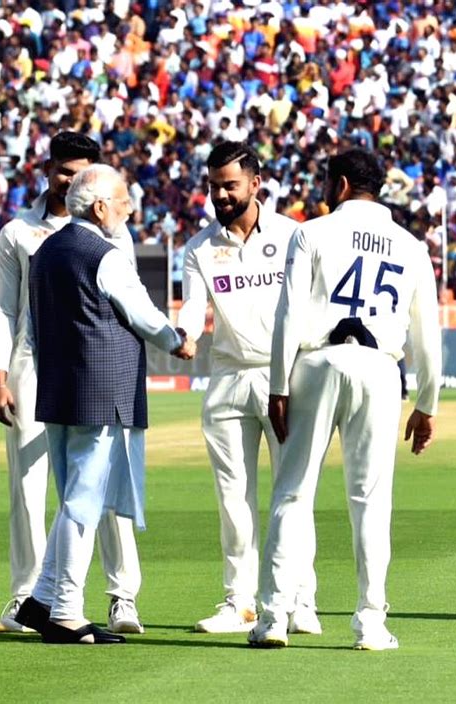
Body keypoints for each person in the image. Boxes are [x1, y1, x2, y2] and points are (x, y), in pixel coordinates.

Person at [249, 148, 442, 650]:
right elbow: (428, 335)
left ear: (338, 185)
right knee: (371, 502)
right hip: (380, 367)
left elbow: (288, 314)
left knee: (292, 492)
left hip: (317, 360)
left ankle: (272, 617)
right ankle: (371, 622)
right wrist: (427, 403)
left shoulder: (310, 231)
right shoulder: (411, 245)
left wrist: (277, 386)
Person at [15, 164, 195, 644]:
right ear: (99, 206)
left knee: (73, 496)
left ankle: (43, 599)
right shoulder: (106, 254)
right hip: (102, 388)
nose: (129, 209)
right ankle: (68, 612)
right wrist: (177, 340)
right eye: (122, 201)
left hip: (57, 386)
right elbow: (142, 312)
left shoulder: (45, 251)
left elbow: (32, 328)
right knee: (84, 500)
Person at [0, 132, 141, 635]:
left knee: (102, 481)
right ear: (47, 170)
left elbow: (128, 302)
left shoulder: (112, 230)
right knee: (29, 486)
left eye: (79, 171)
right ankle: (28, 596)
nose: (69, 179)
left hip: (92, 367)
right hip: (32, 364)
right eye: (62, 170)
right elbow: (2, 306)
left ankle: (121, 595)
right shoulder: (18, 232)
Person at [178, 141, 319, 635]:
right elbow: (194, 305)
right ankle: (240, 601)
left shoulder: (293, 236)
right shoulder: (198, 248)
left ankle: (301, 600)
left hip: (287, 376)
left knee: (292, 494)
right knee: (232, 499)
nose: (220, 195)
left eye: (230, 186)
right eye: (214, 186)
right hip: (228, 378)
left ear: (256, 183)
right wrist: (186, 333)